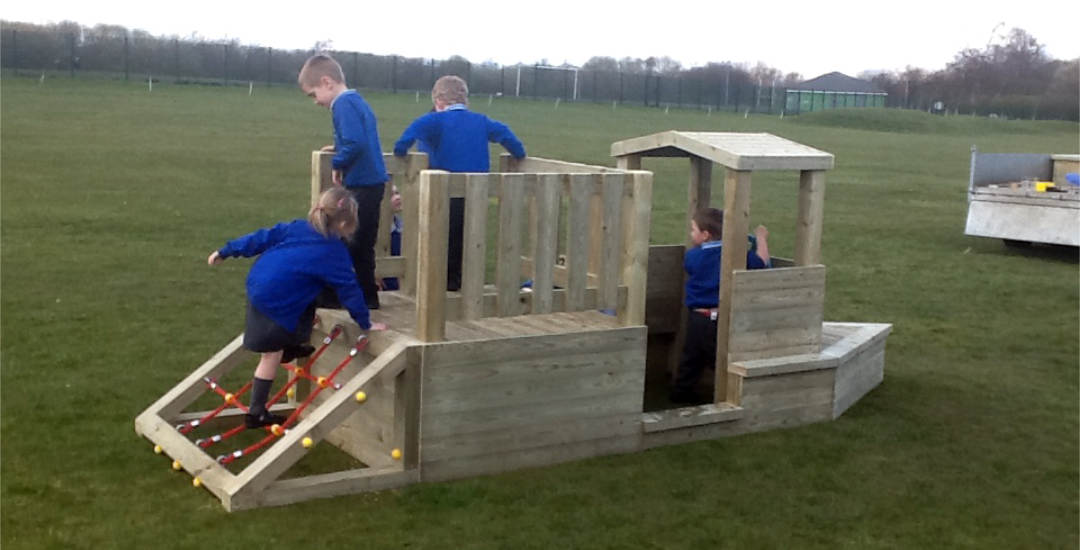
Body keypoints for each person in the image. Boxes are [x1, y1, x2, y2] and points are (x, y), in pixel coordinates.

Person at [208, 187, 388, 429]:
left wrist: (226, 251)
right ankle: (257, 413)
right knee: (270, 355)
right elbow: (350, 290)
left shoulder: (296, 227)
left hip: (259, 285)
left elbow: (261, 237)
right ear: (345, 222)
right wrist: (366, 322)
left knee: (308, 297)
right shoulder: (334, 252)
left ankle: (290, 347)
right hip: (278, 297)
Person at [392, 75, 526, 291]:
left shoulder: (435, 119)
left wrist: (401, 151)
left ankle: (442, 283)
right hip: (476, 192)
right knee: (468, 239)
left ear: (438, 102)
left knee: (440, 237)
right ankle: (462, 282)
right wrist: (518, 153)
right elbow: (506, 134)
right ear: (466, 100)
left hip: (443, 191)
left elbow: (409, 135)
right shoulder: (481, 121)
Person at [298, 53, 389, 309]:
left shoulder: (342, 104)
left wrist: (338, 161)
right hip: (372, 182)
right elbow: (358, 136)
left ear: (327, 82)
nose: (316, 102)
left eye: (314, 94)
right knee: (361, 243)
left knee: (347, 239)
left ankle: (343, 295)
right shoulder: (357, 101)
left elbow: (356, 143)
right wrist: (338, 147)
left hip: (362, 184)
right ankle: (367, 296)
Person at [670, 208, 771, 405]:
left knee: (691, 359)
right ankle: (727, 396)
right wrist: (760, 238)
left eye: (693, 230)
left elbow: (693, 266)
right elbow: (761, 261)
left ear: (705, 235)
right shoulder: (735, 256)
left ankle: (681, 394)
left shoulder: (693, 256)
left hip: (697, 318)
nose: (691, 234)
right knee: (720, 358)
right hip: (721, 318)